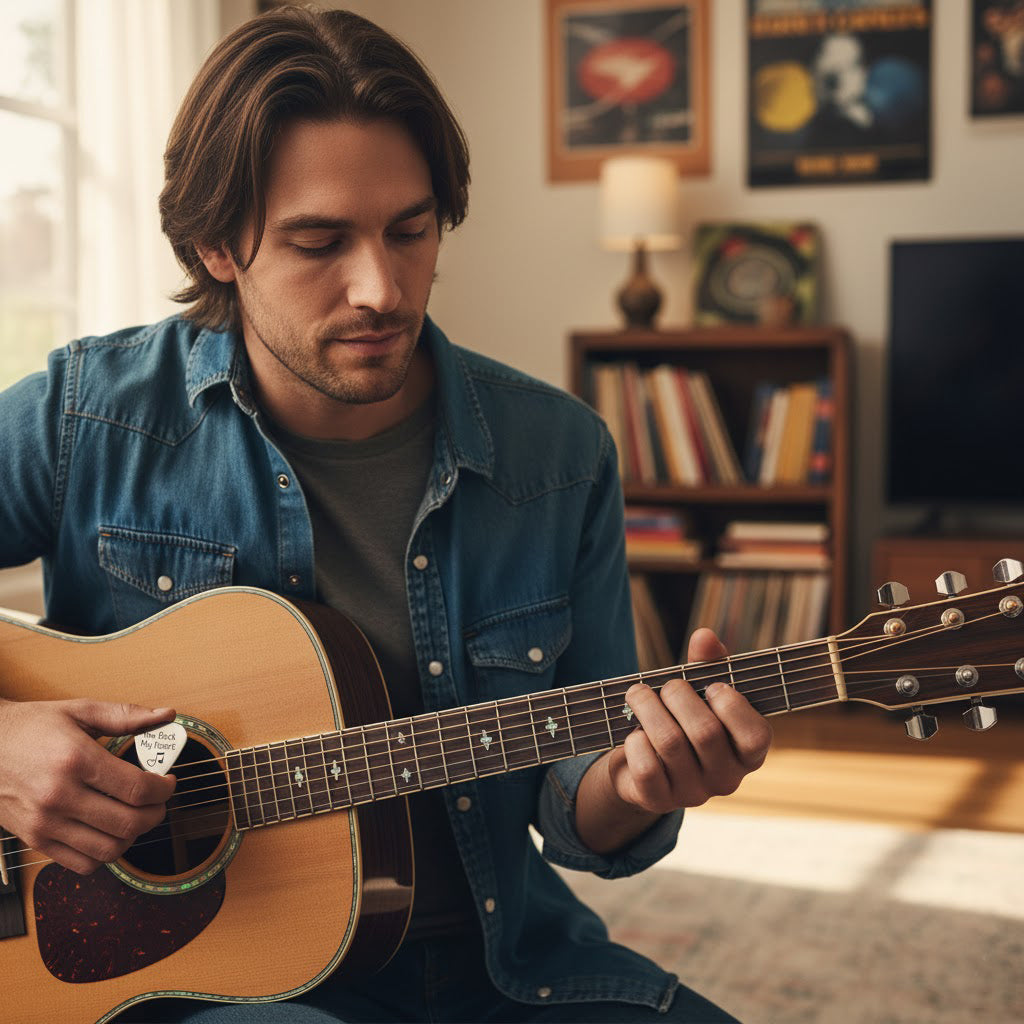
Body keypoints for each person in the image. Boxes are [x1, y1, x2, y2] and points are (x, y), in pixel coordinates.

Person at [0, 7, 772, 1022]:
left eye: (411, 231)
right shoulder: (84, 416)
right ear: (214, 244)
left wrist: (639, 783)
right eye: (320, 241)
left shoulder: (558, 459)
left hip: (495, 963)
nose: (381, 287)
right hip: (185, 977)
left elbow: (574, 798)